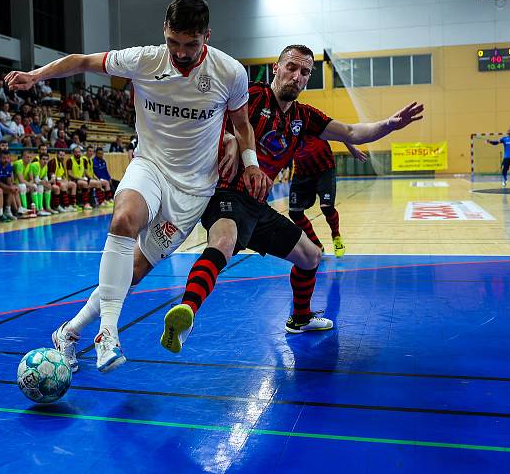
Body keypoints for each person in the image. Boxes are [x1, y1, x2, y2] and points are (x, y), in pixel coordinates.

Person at [6, 0, 268, 373]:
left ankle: (70, 331)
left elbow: (242, 124)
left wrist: (250, 163)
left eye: (190, 44)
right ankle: (107, 333)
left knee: (136, 268)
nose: (180, 52)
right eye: (173, 42)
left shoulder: (230, 73)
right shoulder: (144, 59)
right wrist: (35, 75)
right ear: (165, 31)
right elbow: (81, 61)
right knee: (123, 219)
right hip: (149, 165)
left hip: (193, 191)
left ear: (206, 36)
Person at [159, 44, 424, 354]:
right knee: (223, 242)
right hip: (225, 194)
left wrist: (389, 125)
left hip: (258, 205)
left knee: (310, 256)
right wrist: (229, 138)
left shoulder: (304, 117)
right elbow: (206, 120)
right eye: (292, 68)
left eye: (305, 72)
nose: (297, 76)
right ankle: (186, 314)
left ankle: (299, 319)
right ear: (277, 68)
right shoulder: (252, 96)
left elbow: (352, 131)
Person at [288, 135, 367, 258]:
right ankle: (317, 245)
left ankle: (336, 236)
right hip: (301, 172)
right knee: (294, 213)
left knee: (326, 207)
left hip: (324, 168)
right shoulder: (284, 122)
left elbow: (340, 131)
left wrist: (352, 149)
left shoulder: (313, 117)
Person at [0, 151, 17, 222]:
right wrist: (9, 187)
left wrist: (13, 187)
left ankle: (7, 211)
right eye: (4, 158)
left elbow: (9, 181)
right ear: (0, 158)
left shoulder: (9, 167)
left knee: (12, 190)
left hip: (2, 186)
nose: (6, 160)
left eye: (8, 158)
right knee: (0, 190)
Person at [14, 151, 38, 217]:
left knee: (34, 186)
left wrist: (30, 186)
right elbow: (21, 180)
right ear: (22, 157)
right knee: (23, 186)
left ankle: (37, 209)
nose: (29, 159)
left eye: (30, 157)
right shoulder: (19, 164)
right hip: (14, 183)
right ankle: (24, 209)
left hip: (24, 183)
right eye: (27, 157)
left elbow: (31, 179)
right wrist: (30, 185)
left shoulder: (30, 164)